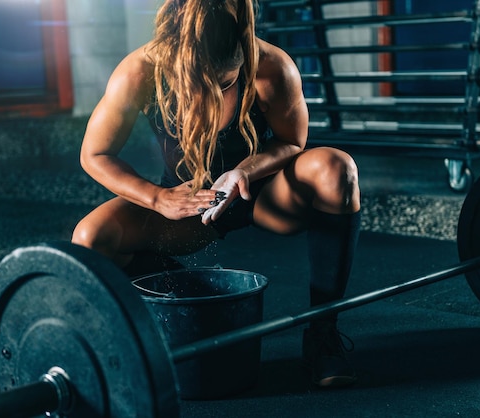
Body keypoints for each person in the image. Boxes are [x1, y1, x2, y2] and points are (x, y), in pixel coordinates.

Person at [71, 0, 361, 388]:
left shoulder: (272, 66)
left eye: (227, 82)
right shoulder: (140, 71)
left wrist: (241, 171)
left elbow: (294, 141)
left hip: (263, 197)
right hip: (192, 206)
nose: (216, 92)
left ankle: (322, 334)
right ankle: (178, 303)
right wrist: (158, 198)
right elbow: (94, 154)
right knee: (90, 238)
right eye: (205, 83)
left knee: (335, 168)